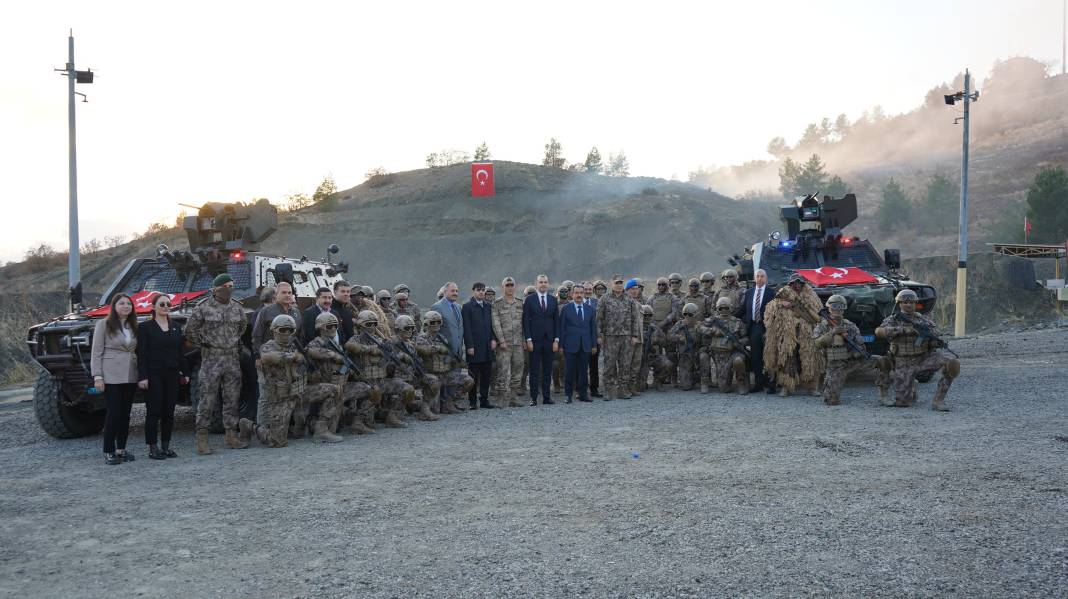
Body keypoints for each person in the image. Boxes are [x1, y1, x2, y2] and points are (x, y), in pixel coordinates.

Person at [185, 274, 248, 455]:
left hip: (232, 359)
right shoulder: (203, 307)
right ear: (216, 288)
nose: (229, 288)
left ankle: (231, 435)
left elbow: (242, 328)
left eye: (231, 285)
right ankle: (202, 440)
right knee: (207, 399)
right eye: (225, 286)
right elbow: (190, 331)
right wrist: (205, 342)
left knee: (232, 399)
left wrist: (231, 341)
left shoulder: (237, 307)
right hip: (211, 359)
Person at [876, 289, 959, 411]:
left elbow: (936, 332)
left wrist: (933, 340)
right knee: (903, 403)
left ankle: (939, 400)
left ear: (916, 303)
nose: (908, 305)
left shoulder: (923, 320)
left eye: (911, 302)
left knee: (952, 364)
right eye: (905, 302)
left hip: (923, 359)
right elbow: (879, 332)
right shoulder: (893, 319)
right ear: (899, 304)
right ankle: (911, 384)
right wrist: (903, 330)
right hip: (903, 361)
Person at [137, 293, 190, 460]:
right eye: (162, 304)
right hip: (153, 374)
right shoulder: (145, 327)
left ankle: (166, 446)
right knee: (154, 411)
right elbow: (142, 354)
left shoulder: (175, 326)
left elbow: (180, 352)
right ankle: (153, 448)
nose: (166, 306)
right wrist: (142, 376)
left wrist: (186, 372)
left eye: (168, 304)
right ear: (153, 307)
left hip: (172, 374)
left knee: (169, 411)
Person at [813, 294, 889, 406]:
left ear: (844, 308)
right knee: (831, 401)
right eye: (834, 306)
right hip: (835, 365)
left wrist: (857, 352)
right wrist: (832, 333)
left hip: (853, 361)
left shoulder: (850, 325)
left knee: (883, 361)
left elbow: (860, 344)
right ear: (828, 307)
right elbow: (817, 344)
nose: (837, 309)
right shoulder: (822, 326)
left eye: (841, 306)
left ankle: (884, 395)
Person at [91, 293, 139, 465]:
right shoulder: (103, 325)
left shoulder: (133, 325)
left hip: (130, 374)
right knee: (114, 412)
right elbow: (96, 353)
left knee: (125, 414)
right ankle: (108, 450)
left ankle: (121, 449)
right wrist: (97, 376)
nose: (126, 306)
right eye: (122, 303)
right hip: (111, 374)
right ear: (114, 306)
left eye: (129, 304)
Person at [247, 315, 305, 447]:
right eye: (283, 330)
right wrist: (292, 356)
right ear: (274, 330)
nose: (286, 333)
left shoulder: (292, 346)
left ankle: (289, 428)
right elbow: (268, 357)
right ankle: (252, 426)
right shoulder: (268, 346)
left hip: (289, 394)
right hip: (273, 397)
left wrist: (298, 357)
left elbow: (301, 360)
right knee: (278, 442)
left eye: (289, 330)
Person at [763, 273, 825, 397]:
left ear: (803, 284)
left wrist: (799, 307)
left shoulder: (811, 295)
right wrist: (780, 305)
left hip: (807, 332)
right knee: (786, 358)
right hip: (787, 333)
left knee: (810, 358)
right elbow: (770, 311)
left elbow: (818, 312)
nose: (797, 285)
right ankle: (786, 386)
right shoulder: (782, 295)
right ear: (790, 284)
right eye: (794, 283)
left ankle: (812, 387)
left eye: (799, 283)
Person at [346, 310, 411, 427]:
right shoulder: (355, 339)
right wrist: (371, 349)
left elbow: (390, 359)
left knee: (408, 389)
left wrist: (399, 356)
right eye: (368, 324)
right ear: (360, 325)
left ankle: (393, 417)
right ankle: (358, 422)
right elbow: (350, 346)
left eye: (374, 324)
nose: (371, 327)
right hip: (364, 381)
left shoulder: (381, 341)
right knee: (374, 392)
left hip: (381, 380)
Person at [293, 311, 346, 442]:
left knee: (334, 427)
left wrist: (343, 372)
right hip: (311, 387)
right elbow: (310, 352)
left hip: (329, 384)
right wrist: (332, 355)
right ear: (320, 328)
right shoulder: (315, 344)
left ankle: (323, 428)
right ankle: (320, 430)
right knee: (334, 390)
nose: (333, 329)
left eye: (335, 326)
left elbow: (344, 366)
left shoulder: (337, 346)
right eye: (329, 326)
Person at [415, 310, 474, 414]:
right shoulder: (422, 338)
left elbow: (448, 356)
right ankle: (425, 408)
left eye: (439, 322)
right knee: (435, 410)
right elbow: (423, 350)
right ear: (427, 323)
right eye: (433, 322)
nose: (436, 325)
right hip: (429, 374)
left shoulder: (442, 338)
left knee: (468, 381)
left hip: (444, 373)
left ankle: (449, 401)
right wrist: (437, 349)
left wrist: (457, 362)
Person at [596, 275, 641, 400]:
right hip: (610, 337)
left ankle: (623, 390)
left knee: (625, 364)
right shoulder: (604, 299)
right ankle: (608, 390)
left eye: (621, 282)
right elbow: (599, 318)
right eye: (617, 282)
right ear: (612, 284)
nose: (619, 285)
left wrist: (634, 335)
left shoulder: (629, 299)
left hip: (626, 337)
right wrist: (599, 335)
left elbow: (634, 319)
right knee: (609, 364)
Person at [388, 314, 441, 421]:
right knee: (406, 389)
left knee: (433, 381)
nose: (410, 331)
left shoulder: (410, 343)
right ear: (398, 329)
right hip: (395, 377)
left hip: (411, 376)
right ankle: (393, 416)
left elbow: (416, 360)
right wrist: (401, 356)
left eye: (412, 328)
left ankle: (425, 410)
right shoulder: (391, 342)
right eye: (407, 328)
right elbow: (386, 359)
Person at [557, 284, 598, 403]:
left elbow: (593, 328)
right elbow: (562, 328)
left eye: (581, 293)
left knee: (583, 370)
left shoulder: (590, 309)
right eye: (576, 293)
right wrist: (561, 345)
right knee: (569, 370)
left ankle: (583, 394)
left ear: (584, 294)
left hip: (585, 344)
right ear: (572, 294)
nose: (579, 295)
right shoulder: (566, 309)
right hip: (570, 344)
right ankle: (568, 395)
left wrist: (594, 344)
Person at [522, 274, 559, 406]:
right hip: (535, 340)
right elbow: (525, 321)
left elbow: (556, 322)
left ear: (548, 284)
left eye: (545, 282)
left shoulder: (553, 300)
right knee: (534, 370)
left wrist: (556, 340)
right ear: (536, 284)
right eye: (541, 282)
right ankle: (533, 398)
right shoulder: (529, 300)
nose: (543, 284)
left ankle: (547, 397)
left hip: (549, 340)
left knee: (548, 370)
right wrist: (528, 339)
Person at [701, 297, 750, 395]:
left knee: (739, 361)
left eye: (726, 308)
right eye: (721, 308)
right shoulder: (712, 320)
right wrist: (713, 331)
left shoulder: (737, 322)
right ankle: (704, 382)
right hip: (717, 353)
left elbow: (746, 338)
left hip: (733, 352)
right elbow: (700, 327)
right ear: (717, 308)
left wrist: (739, 342)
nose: (724, 310)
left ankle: (741, 383)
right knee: (724, 389)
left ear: (730, 308)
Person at [431, 282, 468, 409]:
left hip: (457, 349)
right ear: (445, 292)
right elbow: (433, 331)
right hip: (444, 351)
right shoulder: (437, 307)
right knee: (445, 377)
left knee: (455, 376)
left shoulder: (458, 306)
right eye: (453, 291)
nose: (455, 293)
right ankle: (442, 404)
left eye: (457, 291)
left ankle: (450, 402)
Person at [491, 276, 526, 407]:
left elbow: (524, 324)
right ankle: (500, 397)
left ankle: (513, 397)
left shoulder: (520, 303)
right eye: (507, 285)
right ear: (503, 287)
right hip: (504, 345)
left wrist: (523, 340)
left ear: (515, 287)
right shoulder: (497, 304)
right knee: (502, 371)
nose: (510, 287)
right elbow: (496, 324)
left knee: (518, 370)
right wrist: (501, 341)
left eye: (512, 285)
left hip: (518, 344)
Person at [462, 282, 497, 409]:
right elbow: (467, 328)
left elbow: (493, 325)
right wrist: (469, 346)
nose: (481, 292)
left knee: (486, 376)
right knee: (473, 377)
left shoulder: (488, 306)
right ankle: (472, 402)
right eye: (478, 290)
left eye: (483, 290)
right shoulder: (467, 307)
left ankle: (484, 400)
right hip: (475, 347)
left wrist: (494, 339)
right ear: (473, 291)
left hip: (488, 347)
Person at [740, 269, 774, 393]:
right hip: (753, 327)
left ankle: (771, 384)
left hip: (767, 328)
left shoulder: (772, 293)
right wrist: (731, 316)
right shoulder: (749, 292)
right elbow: (743, 309)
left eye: (762, 276)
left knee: (769, 356)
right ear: (754, 278)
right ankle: (758, 383)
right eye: (758, 276)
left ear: (766, 278)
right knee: (756, 356)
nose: (760, 278)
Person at [668, 303, 704, 391]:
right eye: (685, 314)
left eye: (690, 315)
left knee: (704, 358)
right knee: (686, 386)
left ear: (695, 315)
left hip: (697, 355)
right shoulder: (680, 324)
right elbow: (669, 335)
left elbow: (706, 340)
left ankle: (703, 380)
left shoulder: (700, 325)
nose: (687, 317)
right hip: (684, 355)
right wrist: (679, 337)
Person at [581, 281, 602, 398]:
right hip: (582, 339)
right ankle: (582, 390)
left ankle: (594, 389)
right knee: (582, 366)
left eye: (590, 289)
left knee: (594, 366)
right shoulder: (577, 303)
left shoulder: (597, 303)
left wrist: (599, 336)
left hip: (594, 339)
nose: (588, 291)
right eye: (586, 289)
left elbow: (599, 321)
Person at [330, 280, 356, 345]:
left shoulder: (347, 311)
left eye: (348, 292)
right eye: (343, 291)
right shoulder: (330, 311)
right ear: (335, 292)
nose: (346, 294)